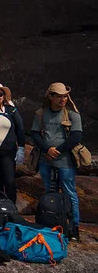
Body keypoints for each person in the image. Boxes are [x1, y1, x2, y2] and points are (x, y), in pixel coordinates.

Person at [31, 82, 83, 241]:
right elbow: (34, 133)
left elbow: (76, 136)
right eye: (59, 96)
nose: (63, 99)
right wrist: (47, 150)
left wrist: (57, 151)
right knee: (49, 191)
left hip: (65, 161)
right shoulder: (41, 114)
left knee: (69, 192)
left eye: (65, 96)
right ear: (51, 96)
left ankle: (73, 226)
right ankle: (52, 222)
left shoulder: (72, 114)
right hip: (46, 159)